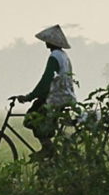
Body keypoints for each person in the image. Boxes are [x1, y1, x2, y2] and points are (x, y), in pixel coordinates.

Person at [15, 25, 74, 160]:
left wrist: (29, 97)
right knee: (39, 111)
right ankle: (50, 152)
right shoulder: (64, 56)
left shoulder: (54, 56)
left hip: (57, 97)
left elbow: (46, 80)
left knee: (32, 117)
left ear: (51, 42)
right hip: (66, 95)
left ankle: (48, 148)